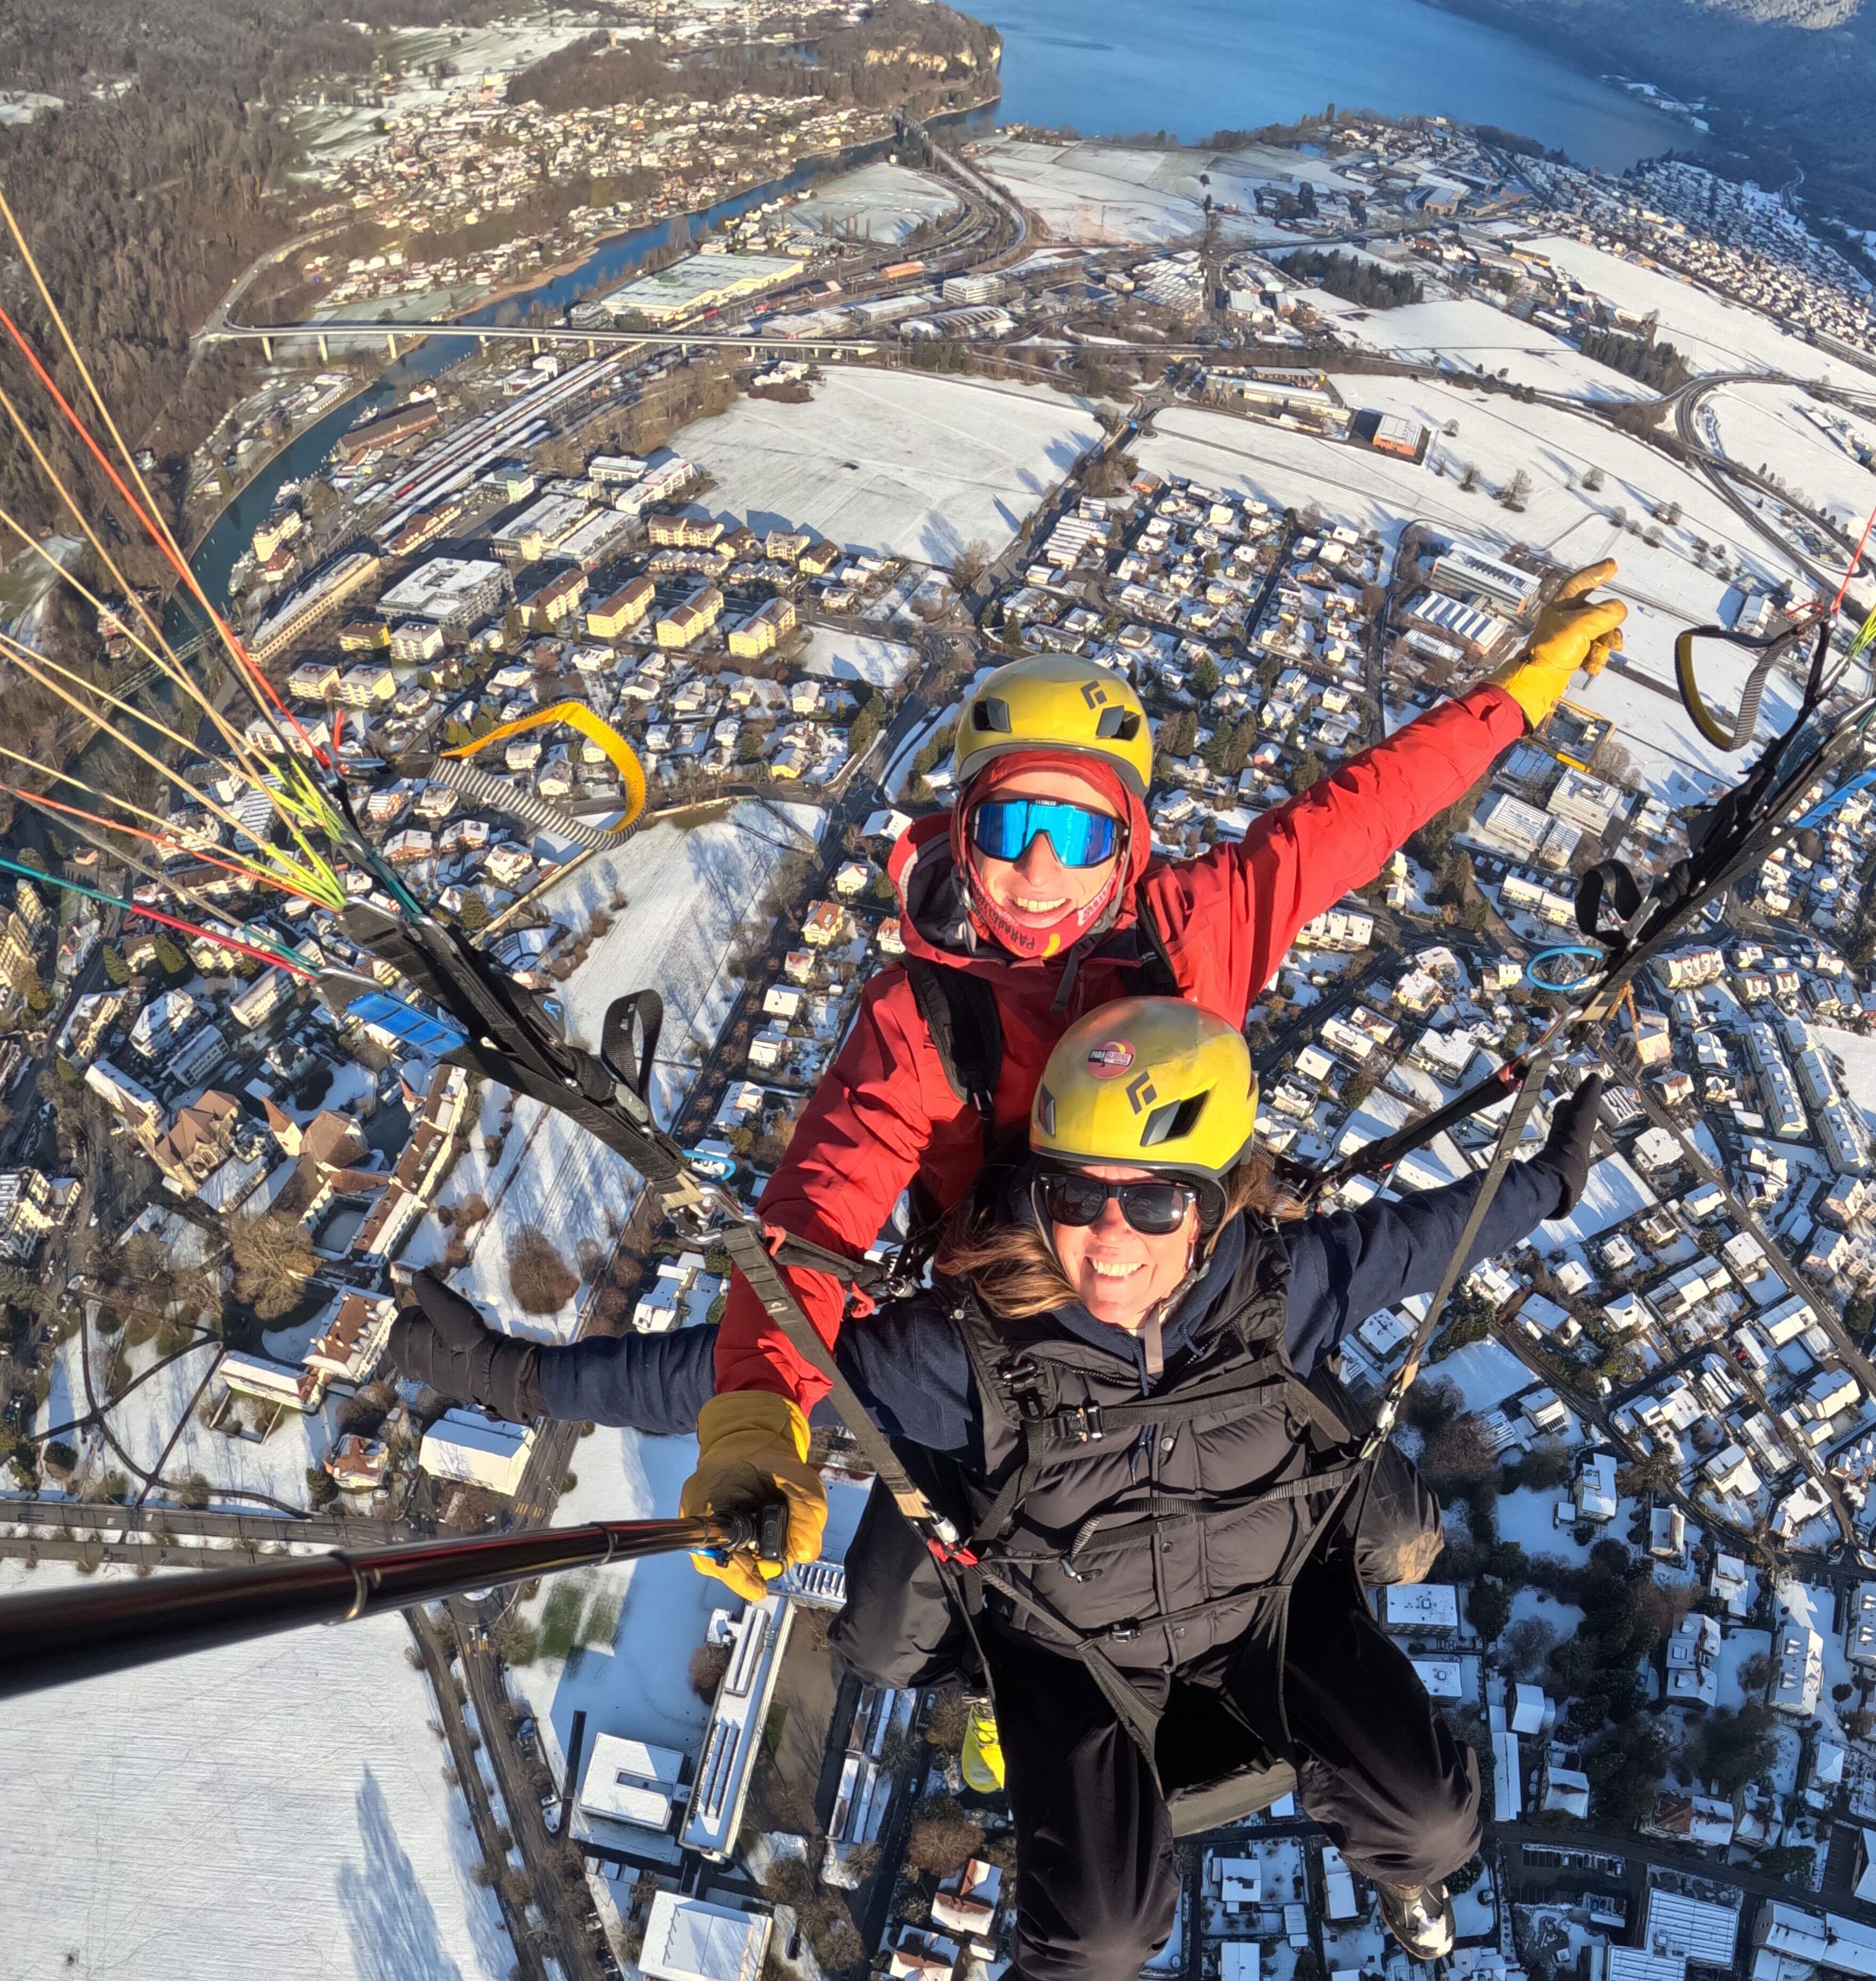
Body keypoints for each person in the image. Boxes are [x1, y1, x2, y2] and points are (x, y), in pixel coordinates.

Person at [402, 563, 1624, 1779]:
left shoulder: (1196, 930)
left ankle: (1261, 1648)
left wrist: (1519, 689)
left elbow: (1364, 813)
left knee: (1399, 1532)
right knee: (884, 1634)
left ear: (1130, 844)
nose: (1040, 873)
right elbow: (812, 1229)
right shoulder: (926, 1019)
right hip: (1012, 1334)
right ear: (962, 830)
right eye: (1009, 830)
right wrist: (746, 1407)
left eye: (1077, 834)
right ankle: (1023, 1673)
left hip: (1189, 1299)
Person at [407, 1001, 1605, 1981]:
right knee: (1096, 1937)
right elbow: (737, 1376)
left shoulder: (1286, 1290)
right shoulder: (967, 1356)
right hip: (1077, 1656)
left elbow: (1442, 1235)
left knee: (1435, 1815)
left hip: (1274, 1611)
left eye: (1154, 1204)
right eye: (1076, 1196)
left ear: (1213, 1205)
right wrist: (513, 1376)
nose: (1109, 1239)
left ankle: (1405, 1876)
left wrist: (1553, 1177)